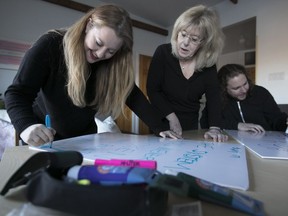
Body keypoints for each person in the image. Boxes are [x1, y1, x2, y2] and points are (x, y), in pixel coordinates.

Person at [4, 4, 181, 146]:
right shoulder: (50, 45)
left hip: (86, 141)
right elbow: (16, 93)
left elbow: (131, 94)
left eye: (110, 51)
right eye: (98, 43)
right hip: (45, 139)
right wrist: (26, 126)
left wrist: (159, 127)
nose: (100, 54)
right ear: (88, 25)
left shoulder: (110, 64)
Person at [146, 5, 228, 142]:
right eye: (183, 35)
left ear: (204, 43)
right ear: (177, 32)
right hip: (162, 120)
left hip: (190, 124)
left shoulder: (208, 64)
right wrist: (172, 117)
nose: (185, 43)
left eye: (194, 39)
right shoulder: (163, 52)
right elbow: (153, 90)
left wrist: (214, 127)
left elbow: (214, 98)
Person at [217, 63, 288, 132]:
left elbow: (276, 118)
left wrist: (285, 123)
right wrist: (237, 125)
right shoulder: (217, 98)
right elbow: (208, 122)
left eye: (245, 84)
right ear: (224, 89)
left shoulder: (261, 92)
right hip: (233, 142)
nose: (244, 90)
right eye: (236, 88)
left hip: (265, 141)